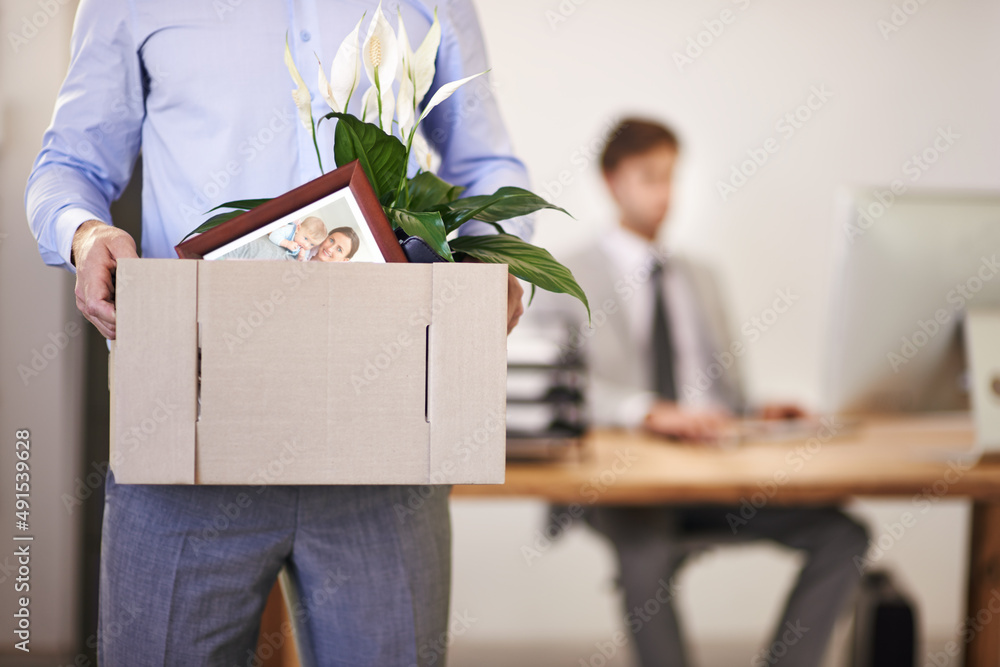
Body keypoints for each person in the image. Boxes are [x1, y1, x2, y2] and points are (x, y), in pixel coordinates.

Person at [24, 1, 529, 664]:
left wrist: (492, 261)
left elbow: (486, 164)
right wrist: (85, 234)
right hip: (186, 429)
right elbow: (69, 163)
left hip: (386, 432)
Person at [529, 118, 869, 666]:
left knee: (843, 535)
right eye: (649, 177)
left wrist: (758, 412)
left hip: (714, 470)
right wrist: (647, 412)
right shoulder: (564, 273)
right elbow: (552, 387)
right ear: (612, 181)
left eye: (670, 178)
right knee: (646, 553)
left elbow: (723, 395)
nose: (664, 194)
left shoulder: (700, 277)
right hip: (625, 482)